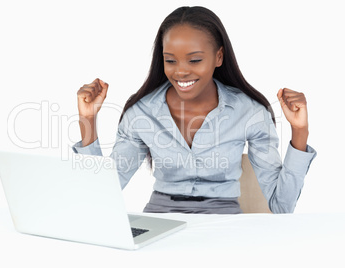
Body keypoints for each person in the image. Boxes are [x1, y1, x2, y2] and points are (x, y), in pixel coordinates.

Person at [73, 6, 316, 214]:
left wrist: (299, 131)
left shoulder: (249, 112)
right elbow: (100, 196)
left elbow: (282, 205)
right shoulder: (142, 113)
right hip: (161, 217)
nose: (180, 72)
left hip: (225, 222)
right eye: (170, 60)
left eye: (195, 60)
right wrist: (88, 120)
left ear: (218, 57)